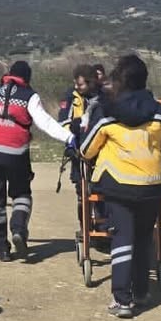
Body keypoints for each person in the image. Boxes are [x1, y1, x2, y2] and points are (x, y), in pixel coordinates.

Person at [78, 53, 161, 318]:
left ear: (120, 82)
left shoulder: (107, 112)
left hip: (117, 184)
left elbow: (86, 150)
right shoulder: (160, 112)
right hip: (151, 185)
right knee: (143, 237)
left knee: (122, 238)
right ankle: (141, 292)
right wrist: (160, 155)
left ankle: (122, 299)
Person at [0, 59, 70, 262]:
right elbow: (45, 122)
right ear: (27, 78)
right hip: (16, 154)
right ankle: (19, 229)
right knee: (21, 193)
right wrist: (69, 138)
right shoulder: (29, 96)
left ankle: (2, 249)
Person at [58, 62, 104, 226]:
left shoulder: (104, 95)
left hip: (101, 151)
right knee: (82, 190)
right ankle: (85, 226)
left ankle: (102, 225)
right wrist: (70, 142)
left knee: (101, 190)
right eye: (75, 83)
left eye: (80, 84)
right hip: (78, 147)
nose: (76, 86)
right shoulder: (70, 96)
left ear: (91, 82)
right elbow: (63, 121)